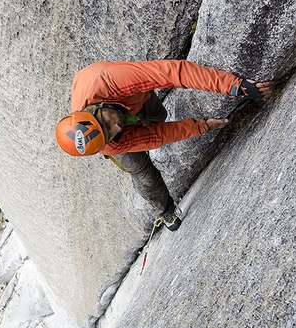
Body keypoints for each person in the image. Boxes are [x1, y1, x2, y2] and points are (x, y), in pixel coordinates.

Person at [55, 60, 273, 230]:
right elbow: (155, 138)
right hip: (124, 113)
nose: (117, 128)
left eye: (106, 122)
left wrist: (235, 86)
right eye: (108, 134)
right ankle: (165, 210)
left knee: (158, 116)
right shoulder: (108, 143)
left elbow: (173, 72)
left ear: (94, 109)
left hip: (128, 98)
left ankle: (136, 115)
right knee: (144, 174)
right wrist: (202, 126)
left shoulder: (110, 81)